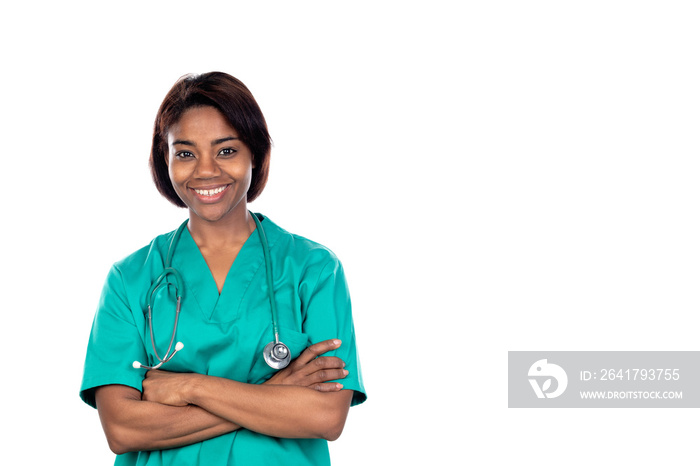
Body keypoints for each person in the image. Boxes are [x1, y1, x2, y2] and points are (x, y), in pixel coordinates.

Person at [79, 72, 366, 465]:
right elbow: (123, 429)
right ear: (165, 162)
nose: (205, 170)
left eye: (226, 150)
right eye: (185, 153)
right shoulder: (130, 279)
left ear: (256, 154)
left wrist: (189, 387)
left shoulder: (313, 269)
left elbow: (325, 416)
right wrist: (274, 393)